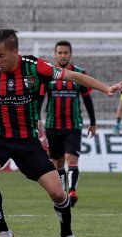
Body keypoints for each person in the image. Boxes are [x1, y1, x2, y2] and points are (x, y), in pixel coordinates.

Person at [0, 29, 122, 237]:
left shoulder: (35, 67)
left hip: (28, 141)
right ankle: (3, 231)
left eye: (1, 55)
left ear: (15, 52)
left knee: (58, 194)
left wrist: (107, 88)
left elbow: (76, 77)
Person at [38, 41, 96, 207]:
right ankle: (63, 192)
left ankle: (72, 191)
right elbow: (40, 97)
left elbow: (87, 98)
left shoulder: (79, 73)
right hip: (52, 124)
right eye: (60, 53)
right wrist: (37, 116)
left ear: (70, 54)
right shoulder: (48, 75)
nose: (63, 55)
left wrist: (93, 122)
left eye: (65, 53)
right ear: (55, 54)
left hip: (74, 124)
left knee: (72, 158)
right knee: (58, 162)